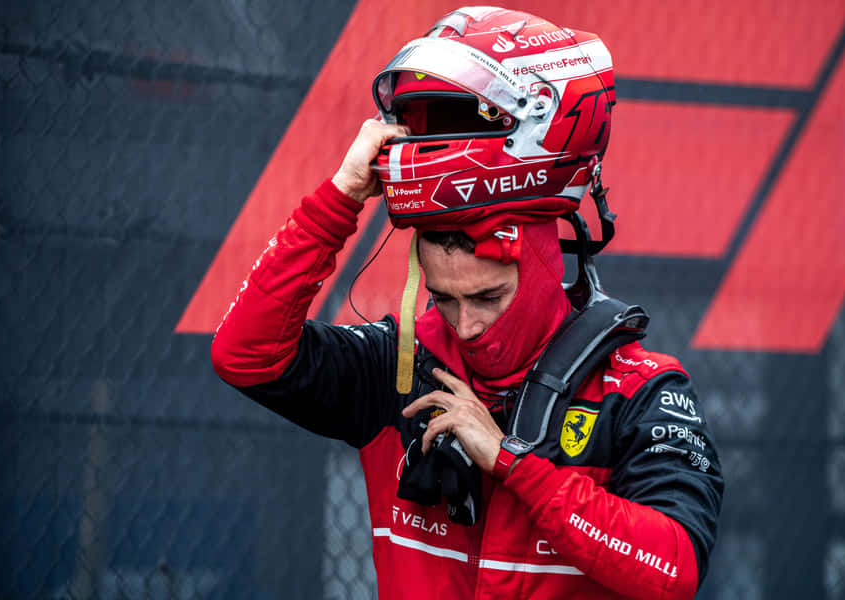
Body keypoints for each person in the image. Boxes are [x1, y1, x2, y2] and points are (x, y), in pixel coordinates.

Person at [212, 7, 723, 600]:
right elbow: (244, 355)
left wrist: (513, 465)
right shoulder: (397, 368)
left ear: (542, 263)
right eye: (444, 298)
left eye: (488, 296)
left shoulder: (637, 392)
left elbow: (675, 568)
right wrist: (341, 197)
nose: (469, 324)